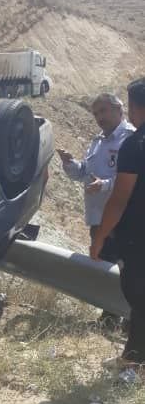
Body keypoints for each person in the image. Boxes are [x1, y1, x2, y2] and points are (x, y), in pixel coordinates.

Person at [58, 92, 134, 323]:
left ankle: (129, 321)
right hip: (98, 218)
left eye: (103, 111)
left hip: (122, 219)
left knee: (126, 271)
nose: (99, 117)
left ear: (119, 110)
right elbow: (84, 173)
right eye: (95, 113)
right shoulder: (97, 141)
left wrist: (104, 185)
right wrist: (70, 164)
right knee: (103, 268)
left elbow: (132, 180)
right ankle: (109, 318)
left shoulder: (131, 139)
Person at [93, 79, 145, 368]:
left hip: (137, 239)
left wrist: (100, 237)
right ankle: (132, 359)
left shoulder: (135, 145)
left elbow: (120, 198)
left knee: (138, 296)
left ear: (135, 107)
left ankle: (133, 362)